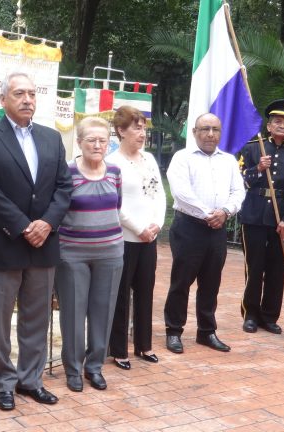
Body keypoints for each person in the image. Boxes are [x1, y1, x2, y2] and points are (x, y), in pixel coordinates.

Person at [0, 71, 72, 411]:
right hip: (5, 242)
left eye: (32, 93)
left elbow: (63, 187)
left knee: (37, 318)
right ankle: (2, 382)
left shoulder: (51, 139)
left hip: (44, 243)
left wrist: (47, 224)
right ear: (3, 100)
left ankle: (31, 379)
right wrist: (24, 225)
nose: (28, 99)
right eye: (19, 93)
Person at [164, 113, 245, 354]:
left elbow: (238, 191)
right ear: (194, 132)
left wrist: (225, 212)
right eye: (205, 129)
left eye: (215, 129)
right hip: (189, 227)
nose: (211, 134)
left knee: (211, 282)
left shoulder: (229, 160)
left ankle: (206, 331)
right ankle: (174, 331)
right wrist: (209, 213)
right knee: (182, 281)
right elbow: (180, 192)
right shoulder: (182, 158)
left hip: (218, 228)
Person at [55, 116, 124, 392]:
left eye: (103, 140)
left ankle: (94, 367)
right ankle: (73, 369)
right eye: (91, 140)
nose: (97, 145)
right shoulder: (67, 173)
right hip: (72, 254)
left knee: (103, 311)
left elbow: (117, 206)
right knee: (72, 312)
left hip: (110, 252)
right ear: (79, 142)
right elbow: (59, 210)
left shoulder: (115, 172)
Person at [238, 99, 284, 334]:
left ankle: (269, 316)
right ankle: (250, 313)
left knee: (277, 267)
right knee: (254, 266)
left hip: (283, 218)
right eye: (277, 121)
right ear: (268, 126)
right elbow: (240, 183)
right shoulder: (252, 148)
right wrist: (258, 169)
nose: (282, 126)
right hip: (254, 215)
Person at [105, 106, 165, 370]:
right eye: (136, 128)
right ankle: (119, 349)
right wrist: (138, 227)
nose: (141, 133)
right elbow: (114, 204)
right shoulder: (112, 162)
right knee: (120, 295)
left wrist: (156, 225)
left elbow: (159, 194)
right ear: (121, 130)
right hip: (125, 237)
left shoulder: (149, 159)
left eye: (143, 128)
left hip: (148, 238)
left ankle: (144, 344)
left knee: (145, 291)